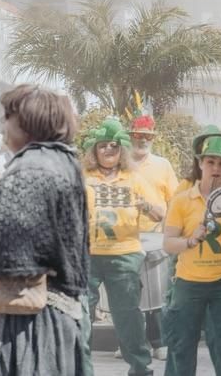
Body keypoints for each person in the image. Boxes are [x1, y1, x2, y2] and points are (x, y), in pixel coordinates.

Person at [0, 85, 91, 376]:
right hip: (53, 316)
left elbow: (9, 250)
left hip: (27, 324)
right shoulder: (63, 161)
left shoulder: (32, 168)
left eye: (8, 117)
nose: (3, 125)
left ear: (26, 122)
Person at [162, 128, 221, 376]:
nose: (216, 168)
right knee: (181, 349)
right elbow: (168, 244)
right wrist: (190, 241)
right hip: (188, 283)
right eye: (210, 161)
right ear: (200, 163)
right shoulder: (182, 200)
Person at [82, 117, 165, 376]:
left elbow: (160, 213)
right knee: (81, 315)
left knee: (128, 317)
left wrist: (147, 206)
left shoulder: (134, 178)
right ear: (94, 150)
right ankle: (81, 368)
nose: (108, 150)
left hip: (124, 255)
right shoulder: (83, 177)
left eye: (114, 146)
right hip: (88, 255)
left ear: (122, 150)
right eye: (103, 145)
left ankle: (140, 368)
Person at [128, 114, 178, 362]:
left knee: (157, 292)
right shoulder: (121, 163)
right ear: (131, 136)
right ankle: (131, 342)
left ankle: (160, 342)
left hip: (156, 234)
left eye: (148, 136)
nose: (143, 140)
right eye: (138, 135)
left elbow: (175, 200)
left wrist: (172, 231)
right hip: (127, 236)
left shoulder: (163, 164)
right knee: (129, 292)